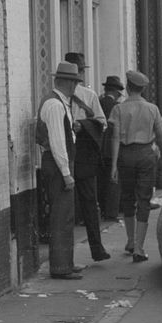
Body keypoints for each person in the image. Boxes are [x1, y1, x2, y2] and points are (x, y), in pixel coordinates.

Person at [108, 71, 162, 262]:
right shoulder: (152, 109)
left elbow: (115, 137)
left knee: (127, 198)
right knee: (144, 199)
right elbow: (160, 137)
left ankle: (130, 240)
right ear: (142, 89)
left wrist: (114, 165)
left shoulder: (118, 109)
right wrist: (161, 154)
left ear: (127, 87)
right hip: (146, 155)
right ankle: (139, 249)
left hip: (125, 156)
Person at [36, 61, 87, 280]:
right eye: (74, 82)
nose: (76, 86)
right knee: (61, 216)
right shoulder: (56, 105)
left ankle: (66, 262)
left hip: (57, 163)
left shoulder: (58, 103)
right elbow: (58, 143)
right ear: (65, 82)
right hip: (58, 165)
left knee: (65, 215)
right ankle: (60, 267)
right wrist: (66, 173)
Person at [64, 52, 110, 262]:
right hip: (70, 148)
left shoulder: (88, 96)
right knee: (86, 201)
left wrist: (82, 125)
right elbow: (104, 122)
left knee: (85, 201)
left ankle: (92, 249)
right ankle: (90, 250)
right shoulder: (59, 96)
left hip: (81, 148)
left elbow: (101, 122)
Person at [97, 75, 124, 220]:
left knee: (100, 180)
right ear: (116, 92)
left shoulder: (98, 102)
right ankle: (111, 212)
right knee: (113, 180)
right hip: (112, 147)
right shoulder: (117, 107)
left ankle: (100, 208)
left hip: (97, 147)